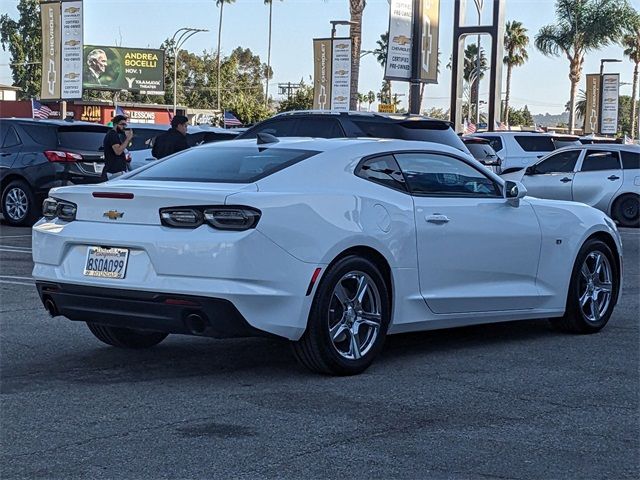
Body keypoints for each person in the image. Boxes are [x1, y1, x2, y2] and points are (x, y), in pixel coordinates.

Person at [103, 115, 133, 180]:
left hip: (116, 171)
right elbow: (118, 151)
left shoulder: (115, 135)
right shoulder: (112, 135)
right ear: (116, 124)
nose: (124, 127)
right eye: (122, 124)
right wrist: (128, 139)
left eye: (125, 125)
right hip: (114, 171)